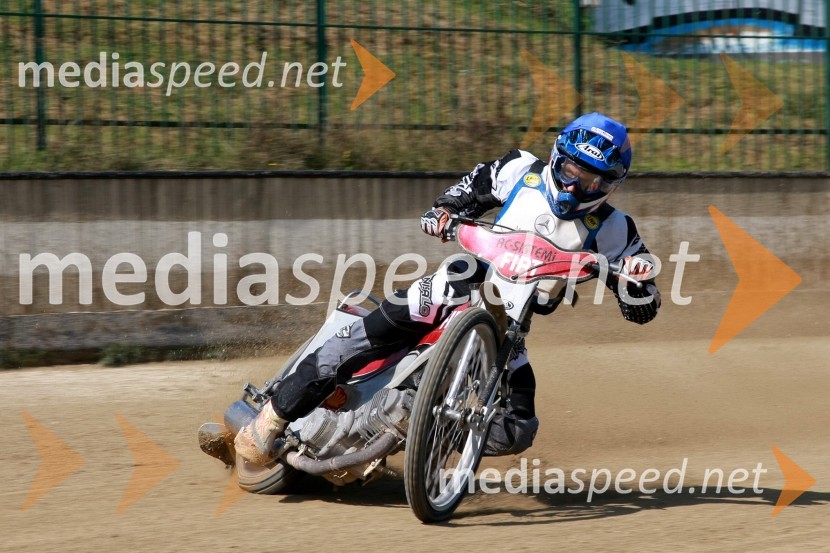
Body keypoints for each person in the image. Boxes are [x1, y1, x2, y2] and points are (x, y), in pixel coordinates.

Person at [235, 112, 661, 466]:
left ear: (612, 185)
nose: (575, 187)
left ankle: (432, 428)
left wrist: (636, 283)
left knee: (519, 429)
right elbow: (464, 192)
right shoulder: (520, 169)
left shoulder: (615, 228)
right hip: (460, 280)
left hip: (511, 325)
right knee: (366, 335)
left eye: (592, 182)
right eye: (571, 171)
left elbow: (644, 305)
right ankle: (270, 419)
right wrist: (442, 212)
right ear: (556, 158)